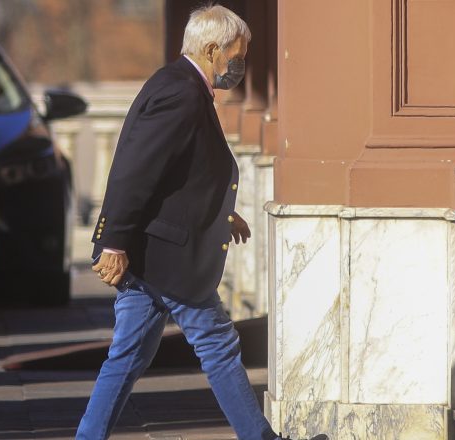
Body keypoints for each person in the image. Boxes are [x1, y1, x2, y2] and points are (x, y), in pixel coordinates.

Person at [76, 5, 324, 440]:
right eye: (237, 55)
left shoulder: (178, 83)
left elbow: (178, 175)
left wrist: (219, 214)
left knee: (127, 356)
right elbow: (136, 169)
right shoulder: (182, 93)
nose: (239, 65)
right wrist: (112, 242)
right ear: (212, 49)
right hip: (166, 257)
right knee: (219, 346)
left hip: (156, 252)